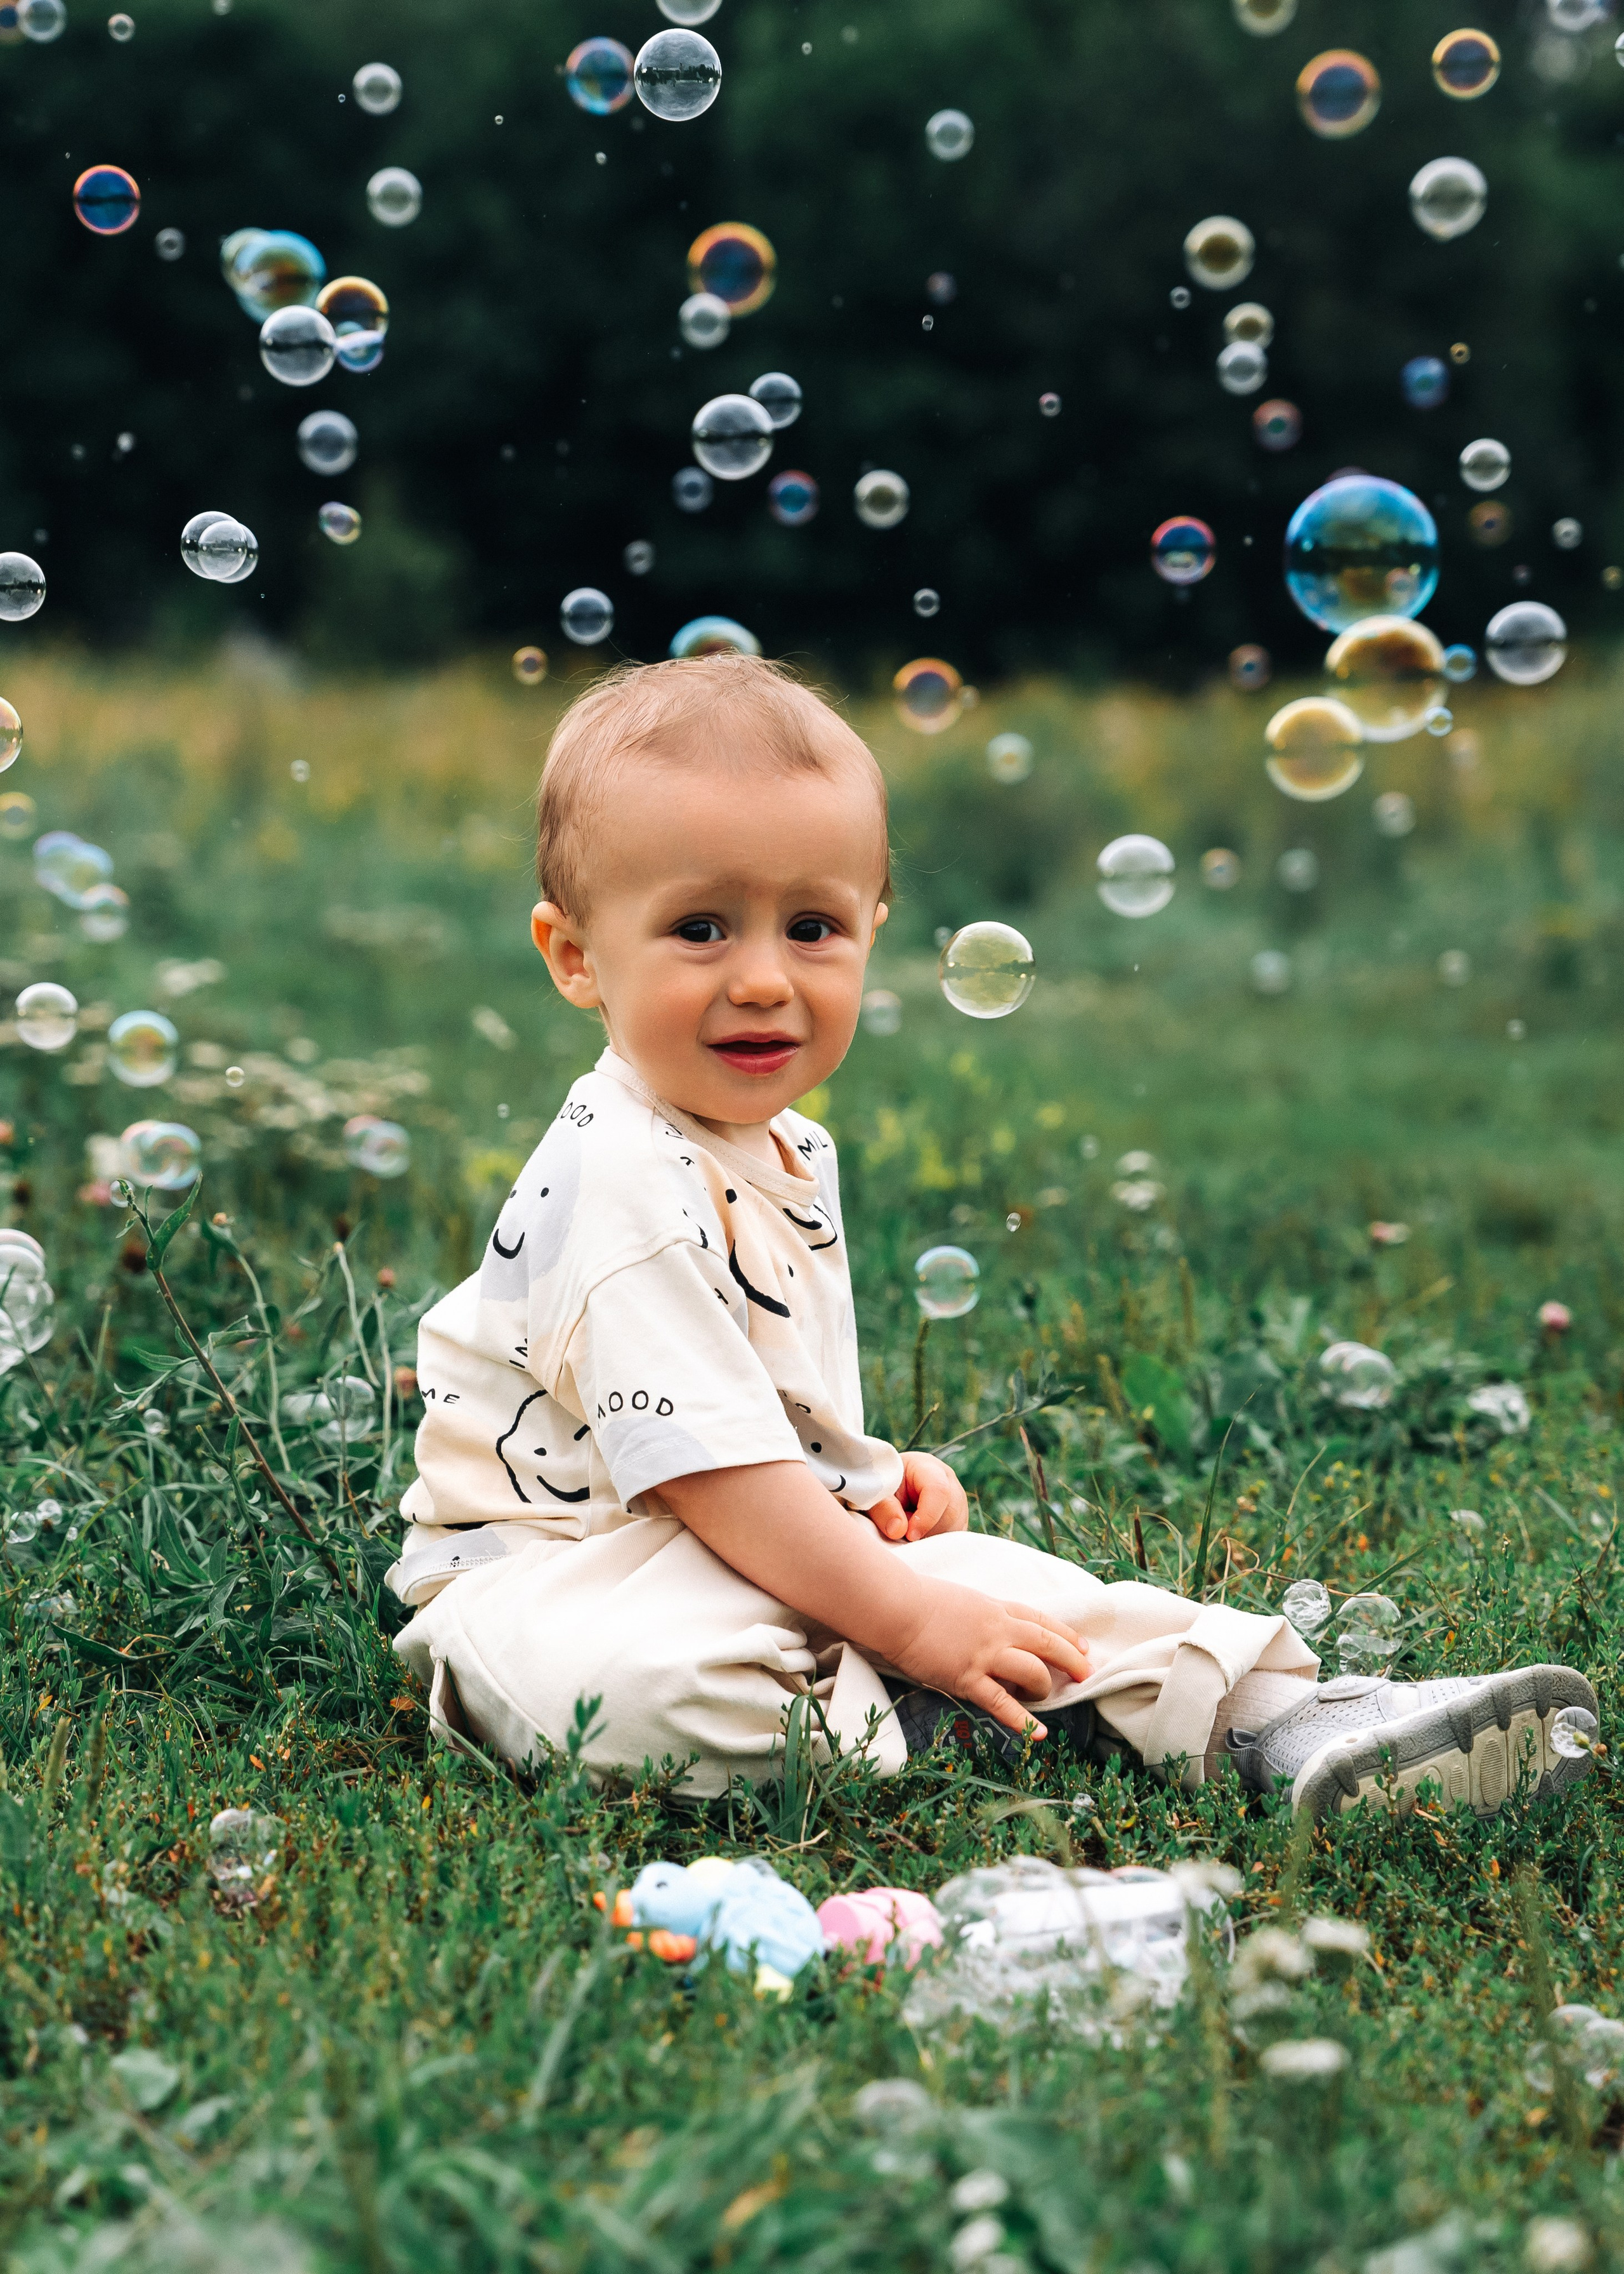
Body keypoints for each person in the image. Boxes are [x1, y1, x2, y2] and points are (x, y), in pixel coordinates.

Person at [388, 654, 1595, 1820]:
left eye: (811, 928)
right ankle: (940, 1697)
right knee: (658, 1690)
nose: (762, 979)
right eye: (701, 929)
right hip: (554, 1584)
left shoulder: (787, 1149)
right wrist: (904, 1613)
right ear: (577, 957)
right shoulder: (619, 1176)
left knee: (999, 1583)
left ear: (871, 929)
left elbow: (753, 1424)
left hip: (731, 1552)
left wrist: (863, 1481)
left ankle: (1298, 1719)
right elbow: (713, 1472)